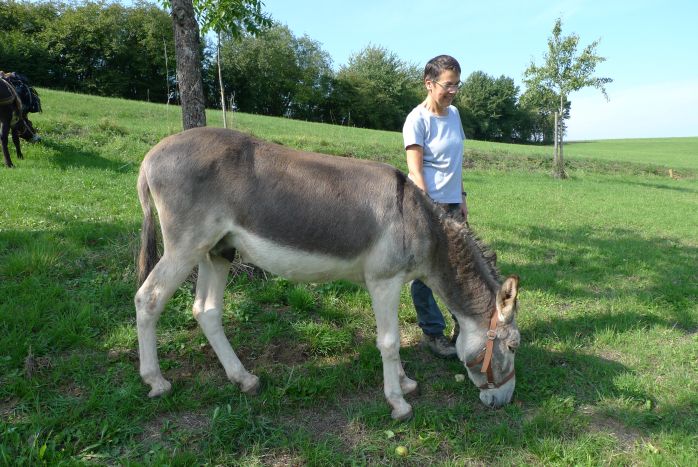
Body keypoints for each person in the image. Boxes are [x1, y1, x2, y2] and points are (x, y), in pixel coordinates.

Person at [402, 55, 467, 358]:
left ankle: (464, 325)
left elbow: (456, 161)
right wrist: (431, 212)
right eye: (448, 85)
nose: (453, 91)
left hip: (453, 203)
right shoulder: (417, 120)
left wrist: (462, 195)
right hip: (428, 207)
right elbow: (415, 172)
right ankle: (433, 333)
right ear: (429, 84)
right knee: (425, 273)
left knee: (458, 269)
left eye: (457, 84)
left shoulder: (454, 115)